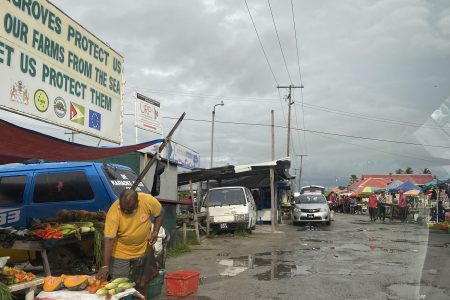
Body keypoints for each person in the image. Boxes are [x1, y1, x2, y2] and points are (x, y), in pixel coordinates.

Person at [96, 189, 164, 298]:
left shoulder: (147, 201)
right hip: (120, 252)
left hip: (142, 249)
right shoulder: (113, 212)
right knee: (117, 285)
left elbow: (160, 213)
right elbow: (109, 239)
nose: (126, 212)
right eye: (124, 210)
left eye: (130, 210)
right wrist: (105, 266)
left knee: (142, 283)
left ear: (138, 202)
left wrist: (155, 231)